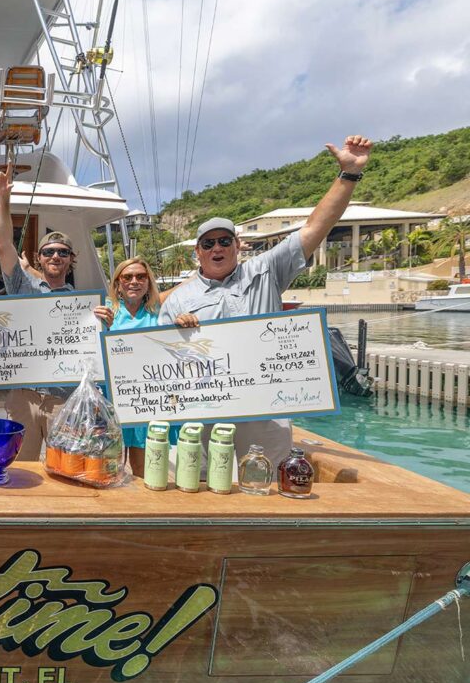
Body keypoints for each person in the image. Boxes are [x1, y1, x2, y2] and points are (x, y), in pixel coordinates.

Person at [158, 134, 374, 468]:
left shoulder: (267, 270)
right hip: (202, 416)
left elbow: (316, 227)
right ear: (197, 252)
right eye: (208, 243)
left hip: (266, 416)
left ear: (238, 244)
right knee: (199, 491)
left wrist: (348, 175)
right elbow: (164, 361)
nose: (217, 248)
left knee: (266, 491)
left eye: (224, 240)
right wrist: (178, 333)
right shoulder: (178, 299)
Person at [0, 162, 78, 461]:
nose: (56, 256)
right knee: (18, 468)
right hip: (23, 395)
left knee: (65, 468)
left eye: (63, 252)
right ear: (39, 258)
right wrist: (3, 198)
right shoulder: (22, 287)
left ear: (71, 260)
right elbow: (4, 245)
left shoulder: (86, 305)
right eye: (49, 252)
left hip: (62, 399)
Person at [93, 257, 194, 477]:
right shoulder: (104, 311)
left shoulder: (161, 313)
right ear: (118, 282)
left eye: (141, 276)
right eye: (127, 277)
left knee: (142, 469)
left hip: (145, 401)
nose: (134, 281)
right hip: (112, 401)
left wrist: (184, 323)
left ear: (148, 282)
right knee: (108, 468)